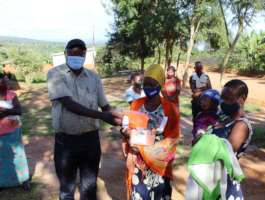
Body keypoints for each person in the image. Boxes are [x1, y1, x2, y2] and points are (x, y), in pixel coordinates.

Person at [47, 39, 122, 200]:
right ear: (66, 53)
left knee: (89, 186)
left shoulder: (94, 78)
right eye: (72, 53)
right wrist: (103, 116)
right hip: (65, 141)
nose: (76, 56)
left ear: (85, 55)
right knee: (67, 188)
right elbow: (68, 104)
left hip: (90, 140)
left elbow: (105, 105)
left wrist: (121, 121)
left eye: (80, 54)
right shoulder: (55, 74)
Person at [121, 64, 180, 200]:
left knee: (159, 194)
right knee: (140, 195)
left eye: (152, 83)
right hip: (139, 163)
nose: (147, 86)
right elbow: (126, 127)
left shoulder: (170, 109)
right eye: (145, 83)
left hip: (159, 164)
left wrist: (152, 149)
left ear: (160, 84)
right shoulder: (136, 105)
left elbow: (173, 137)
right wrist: (126, 132)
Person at [0, 75, 30, 190]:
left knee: (18, 156)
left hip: (13, 131)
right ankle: (3, 182)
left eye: (7, 82)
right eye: (3, 82)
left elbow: (19, 110)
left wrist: (5, 112)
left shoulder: (11, 94)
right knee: (2, 158)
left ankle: (24, 180)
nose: (7, 84)